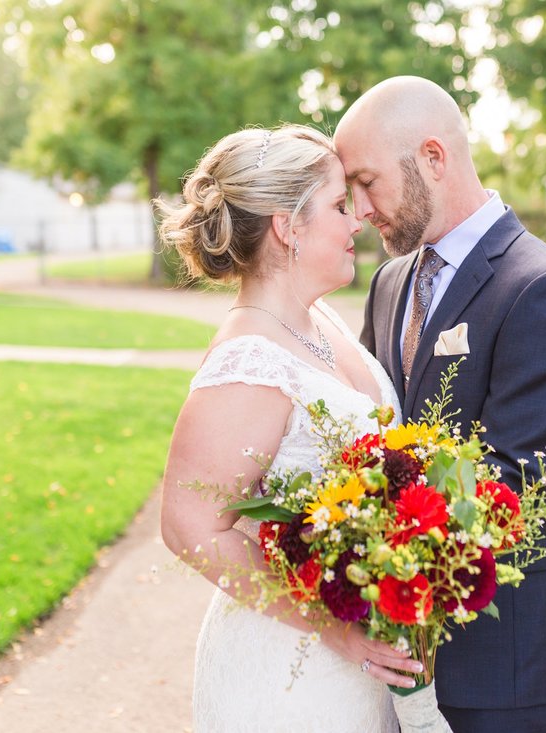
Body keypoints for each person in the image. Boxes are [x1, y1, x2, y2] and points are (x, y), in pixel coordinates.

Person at [335, 76, 546, 733]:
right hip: (391, 649)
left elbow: (510, 485)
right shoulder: (390, 283)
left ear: (433, 157)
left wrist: (378, 555)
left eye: (367, 182)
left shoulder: (542, 288)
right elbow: (369, 434)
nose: (360, 210)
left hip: (498, 660)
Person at [157, 125, 424, 731]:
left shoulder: (318, 319)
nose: (357, 218)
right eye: (337, 205)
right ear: (288, 226)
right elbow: (188, 525)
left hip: (360, 664)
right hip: (287, 677)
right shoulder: (248, 359)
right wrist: (335, 630)